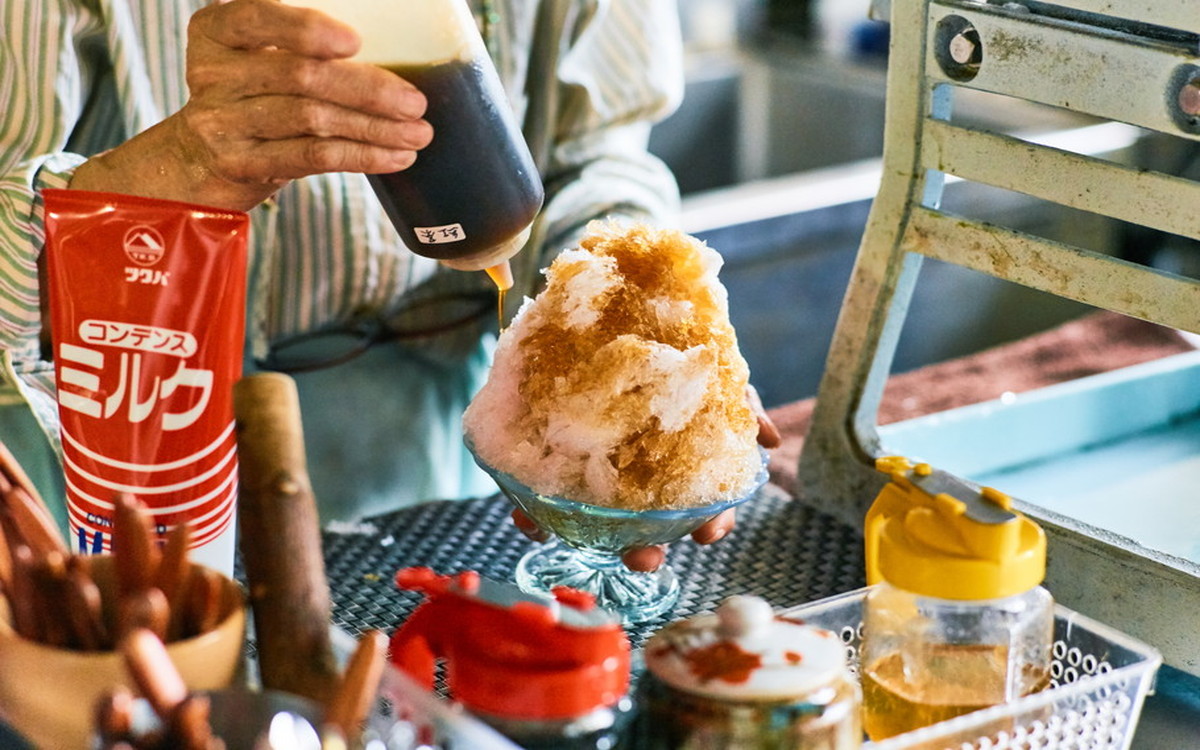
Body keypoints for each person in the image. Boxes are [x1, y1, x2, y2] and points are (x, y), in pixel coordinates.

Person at [0, 0, 775, 570]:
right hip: (106, 464)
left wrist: (622, 340)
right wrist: (159, 181)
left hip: (423, 454)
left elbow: (595, 149)